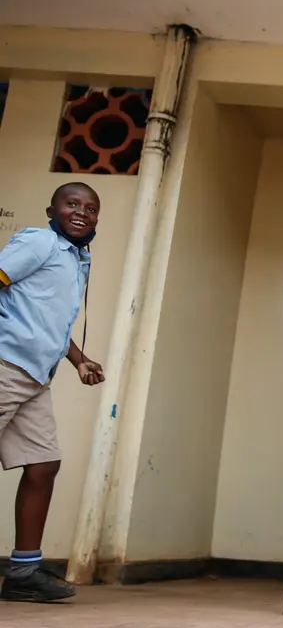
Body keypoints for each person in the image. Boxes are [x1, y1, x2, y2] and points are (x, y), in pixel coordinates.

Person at [0, 182, 105, 603]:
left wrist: (78, 359)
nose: (82, 212)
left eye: (91, 208)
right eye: (72, 204)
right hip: (6, 364)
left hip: (35, 377)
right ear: (52, 209)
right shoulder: (40, 242)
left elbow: (50, 321)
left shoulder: (77, 259)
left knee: (43, 464)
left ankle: (24, 573)